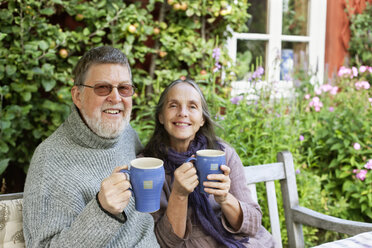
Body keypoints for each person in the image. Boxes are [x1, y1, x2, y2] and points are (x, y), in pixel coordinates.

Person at [23, 46, 160, 248]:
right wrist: (102, 210)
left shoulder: (127, 135)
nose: (116, 98)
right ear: (78, 96)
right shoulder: (49, 161)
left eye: (124, 88)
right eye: (102, 88)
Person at [143, 79, 275, 247]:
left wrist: (225, 199)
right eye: (173, 105)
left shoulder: (223, 154)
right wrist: (179, 194)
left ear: (202, 119)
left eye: (192, 106)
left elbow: (253, 223)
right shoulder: (147, 166)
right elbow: (165, 242)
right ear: (161, 116)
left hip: (236, 241)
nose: (183, 113)